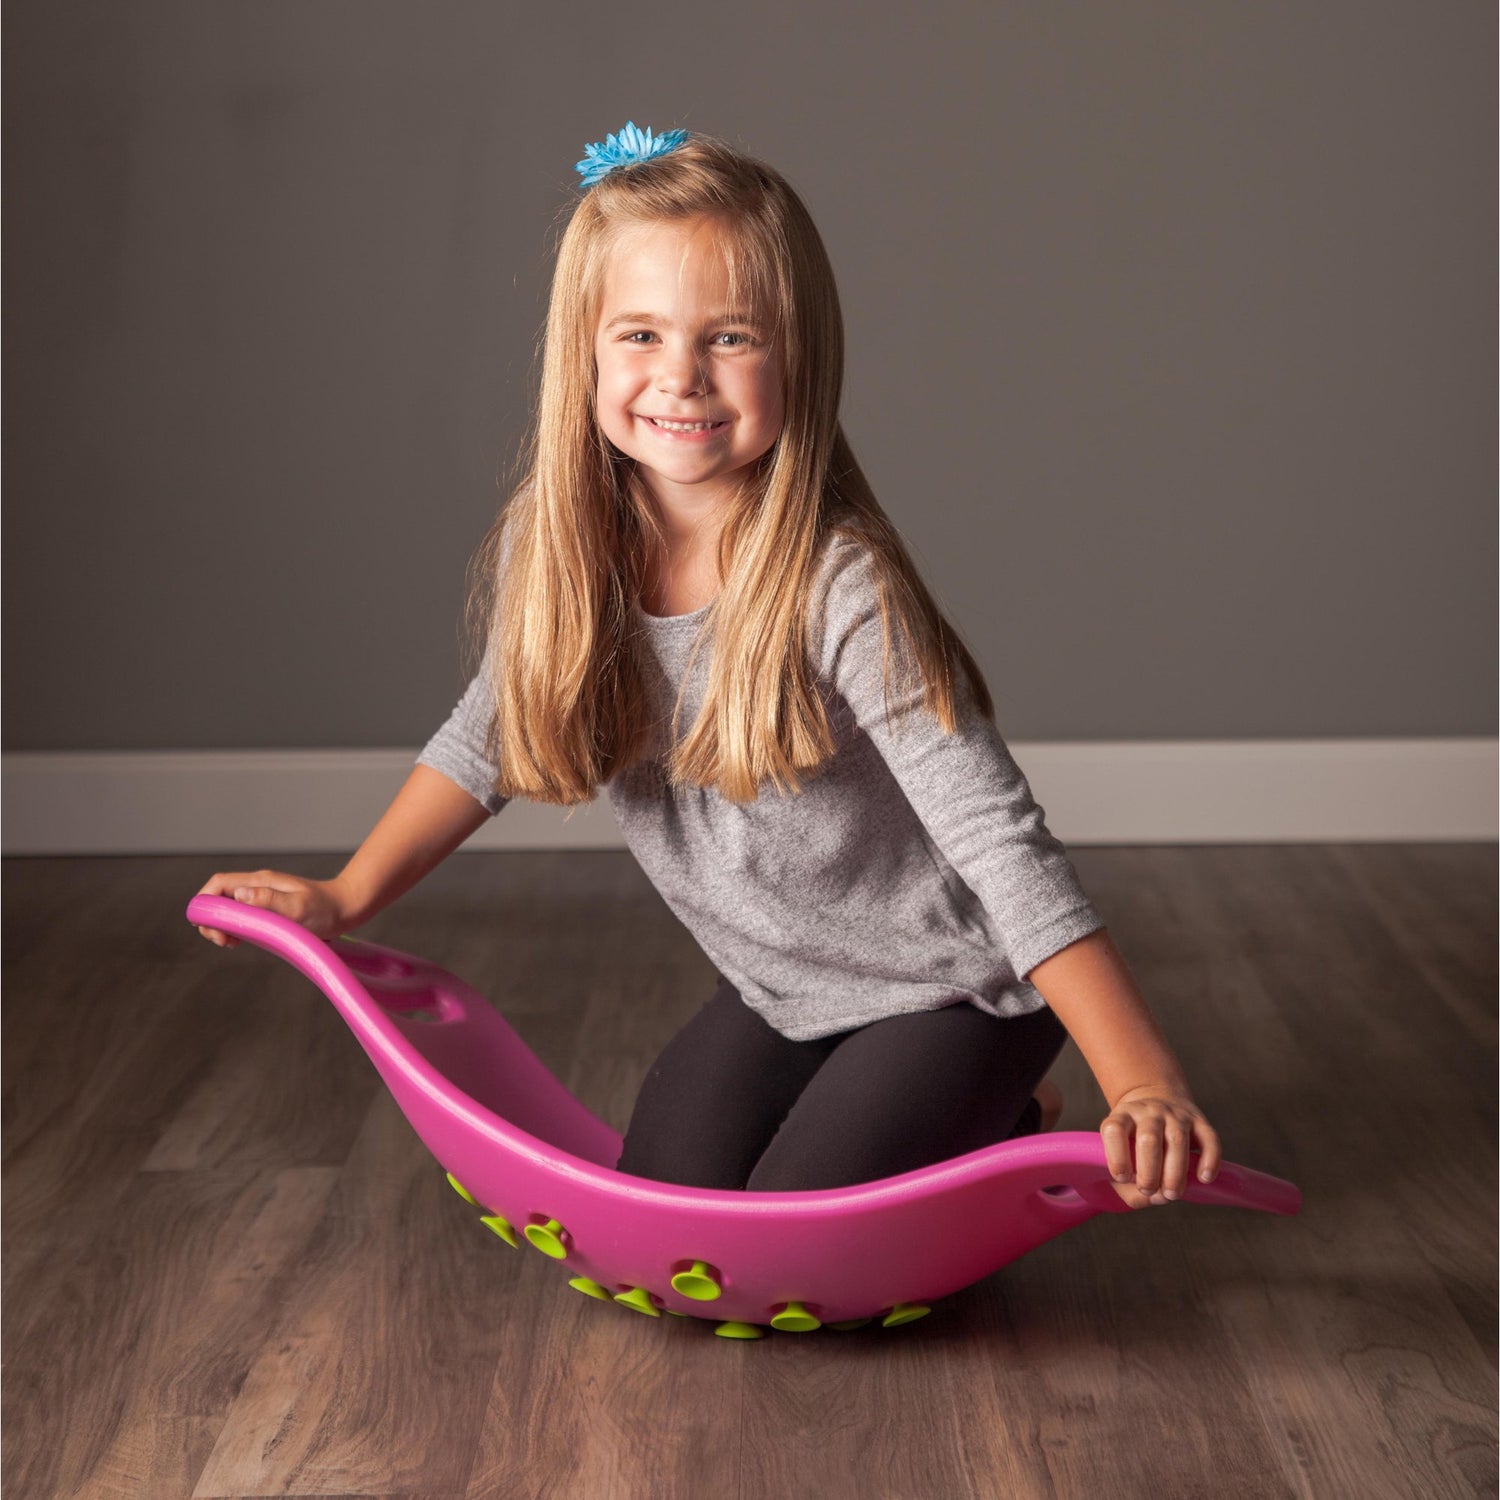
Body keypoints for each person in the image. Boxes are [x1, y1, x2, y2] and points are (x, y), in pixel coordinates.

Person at [195, 122, 1221, 1210]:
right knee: (675, 1206)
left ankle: (998, 1100)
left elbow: (995, 838)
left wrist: (1142, 1077)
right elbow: (484, 738)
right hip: (783, 989)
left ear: (799, 355)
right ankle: (963, 1118)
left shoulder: (840, 586)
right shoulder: (563, 558)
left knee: (802, 1232)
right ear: (584, 350)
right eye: (640, 333)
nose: (680, 376)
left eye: (731, 336)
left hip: (957, 990)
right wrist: (345, 893)